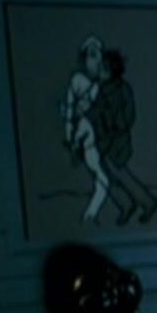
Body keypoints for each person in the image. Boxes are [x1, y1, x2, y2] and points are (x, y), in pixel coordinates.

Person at [86, 48, 157, 226]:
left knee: (121, 174)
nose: (100, 72)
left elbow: (128, 116)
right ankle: (126, 205)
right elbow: (96, 111)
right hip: (103, 141)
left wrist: (113, 123)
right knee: (105, 175)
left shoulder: (122, 89)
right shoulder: (101, 89)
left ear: (112, 70)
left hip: (117, 141)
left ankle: (147, 202)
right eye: (100, 68)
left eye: (104, 69)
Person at [60, 36, 110, 224]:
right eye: (92, 55)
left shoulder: (101, 85)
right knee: (103, 179)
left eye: (98, 56)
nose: (96, 60)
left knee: (104, 179)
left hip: (101, 138)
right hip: (88, 138)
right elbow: (70, 107)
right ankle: (90, 215)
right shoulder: (78, 80)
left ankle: (91, 214)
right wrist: (69, 134)